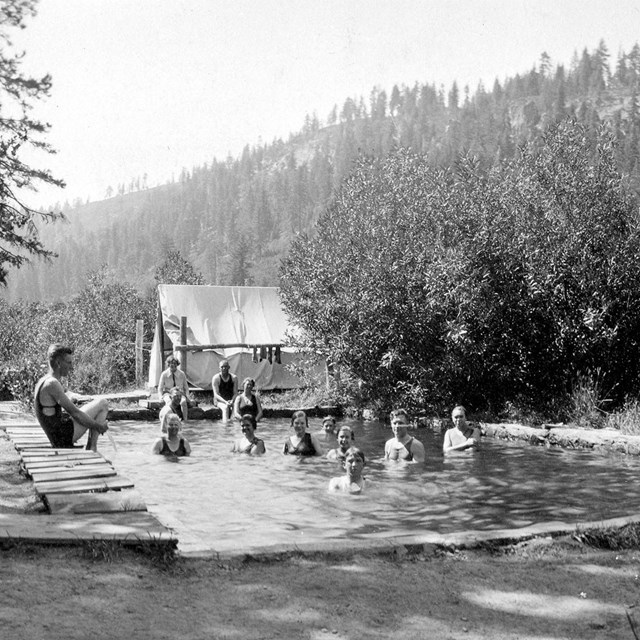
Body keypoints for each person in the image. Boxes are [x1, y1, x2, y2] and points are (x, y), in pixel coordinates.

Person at [34, 344, 109, 451]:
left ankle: (91, 448)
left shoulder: (44, 380)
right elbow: (75, 413)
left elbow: (66, 394)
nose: (71, 366)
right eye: (69, 362)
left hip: (58, 434)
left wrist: (82, 398)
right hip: (61, 438)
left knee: (96, 404)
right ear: (58, 363)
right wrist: (98, 427)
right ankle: (92, 449)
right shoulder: (52, 384)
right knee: (103, 403)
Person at [157, 355, 195, 422]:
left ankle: (185, 420)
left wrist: (187, 397)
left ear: (177, 365)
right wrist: (160, 397)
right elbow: (160, 388)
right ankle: (169, 419)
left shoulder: (181, 374)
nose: (173, 365)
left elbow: (186, 387)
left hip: (179, 392)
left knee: (183, 402)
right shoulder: (164, 374)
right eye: (171, 363)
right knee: (168, 402)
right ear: (168, 364)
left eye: (174, 363)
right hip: (168, 393)